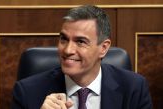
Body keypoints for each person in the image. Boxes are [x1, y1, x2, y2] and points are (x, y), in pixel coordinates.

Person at [11, 5, 152, 109]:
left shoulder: (134, 88)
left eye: (80, 42)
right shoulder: (27, 92)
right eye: (64, 39)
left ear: (103, 48)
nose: (67, 50)